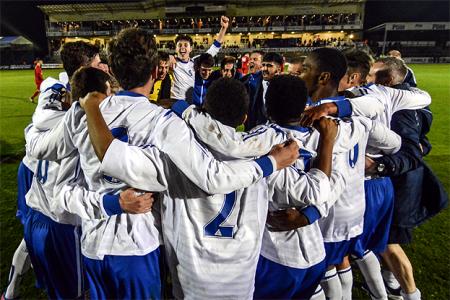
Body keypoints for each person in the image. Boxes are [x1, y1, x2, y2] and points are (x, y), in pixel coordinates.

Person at [27, 28, 297, 299]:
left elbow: (52, 175)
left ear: (112, 70)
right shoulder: (165, 123)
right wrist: (269, 162)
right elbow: (212, 177)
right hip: (138, 246)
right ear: (157, 71)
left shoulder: (84, 110)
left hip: (93, 244)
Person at [79, 78, 300, 299]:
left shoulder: (176, 154)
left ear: (204, 109)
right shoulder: (272, 151)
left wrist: (91, 109)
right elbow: (314, 190)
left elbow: (114, 158)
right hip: (240, 282)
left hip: (190, 280)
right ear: (244, 118)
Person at [22, 41, 104, 299]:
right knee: (78, 294)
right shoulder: (84, 115)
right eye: (98, 63)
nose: (103, 67)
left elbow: (37, 128)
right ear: (83, 68)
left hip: (37, 211)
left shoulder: (52, 97)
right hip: (64, 222)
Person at [366, 57, 446, 300]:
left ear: (388, 80)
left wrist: (378, 166)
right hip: (399, 180)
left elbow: (411, 152)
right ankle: (393, 285)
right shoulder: (408, 99)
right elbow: (422, 143)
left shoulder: (401, 108)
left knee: (387, 240)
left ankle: (411, 293)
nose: (368, 79)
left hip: (401, 183)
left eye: (373, 74)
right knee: (385, 240)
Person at [170, 16, 229, 100]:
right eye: (179, 45)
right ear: (176, 49)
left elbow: (214, 48)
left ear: (191, 49)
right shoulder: (172, 63)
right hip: (176, 102)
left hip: (191, 103)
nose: (182, 47)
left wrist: (223, 28)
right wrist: (169, 57)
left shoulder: (196, 61)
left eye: (186, 45)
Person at [243, 52, 283, 130]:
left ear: (278, 69)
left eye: (269, 66)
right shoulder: (255, 81)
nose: (264, 69)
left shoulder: (285, 86)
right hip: (256, 128)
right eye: (263, 65)